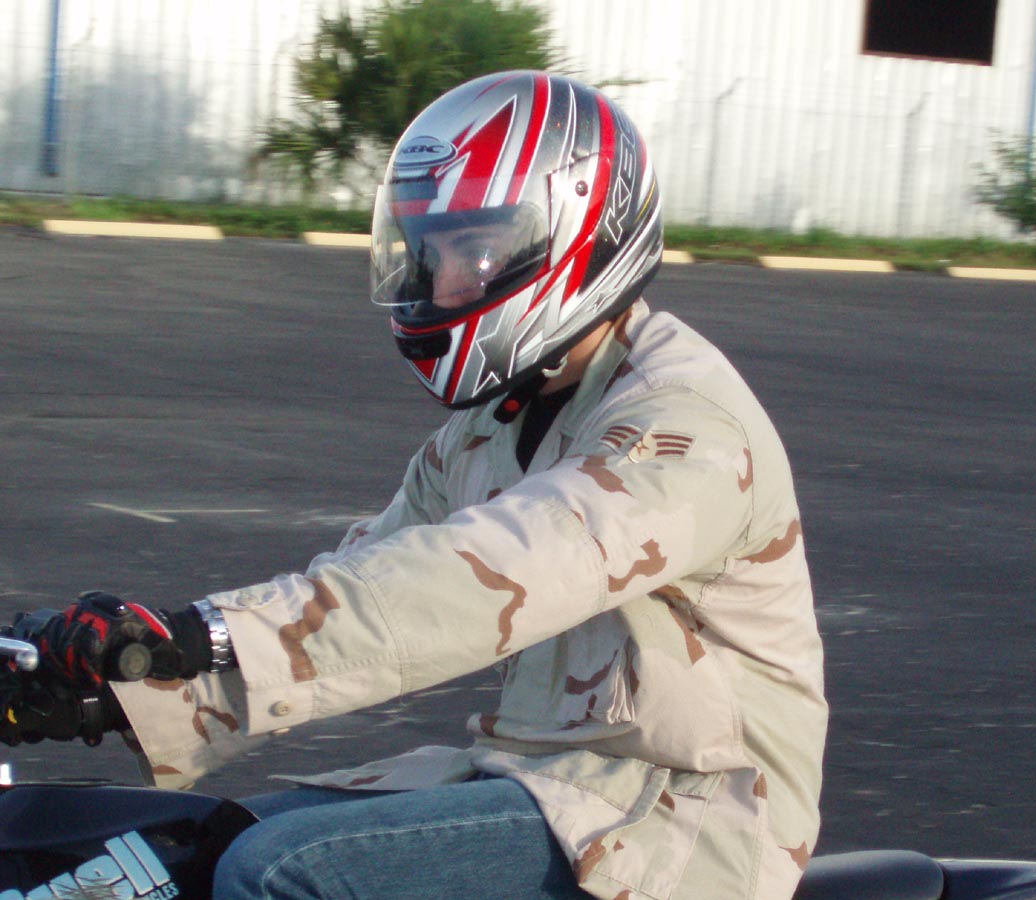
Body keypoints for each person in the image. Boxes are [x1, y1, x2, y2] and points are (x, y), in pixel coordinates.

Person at [0, 71, 827, 900]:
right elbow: (360, 588)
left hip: (689, 818)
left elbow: (467, 580)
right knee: (188, 850)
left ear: (575, 237)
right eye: (429, 251)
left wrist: (204, 633)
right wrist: (111, 686)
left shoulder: (682, 424)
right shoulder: (493, 425)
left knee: (274, 869)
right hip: (550, 786)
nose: (441, 284)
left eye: (474, 249)